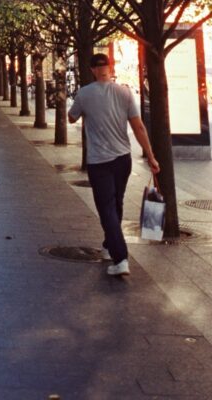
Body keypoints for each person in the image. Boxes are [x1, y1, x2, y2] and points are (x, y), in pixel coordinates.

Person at [68, 52, 160, 277]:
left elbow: (71, 117)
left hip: (99, 161)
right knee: (116, 203)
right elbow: (139, 127)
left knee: (106, 208)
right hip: (123, 158)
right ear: (110, 67)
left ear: (92, 69)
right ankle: (110, 245)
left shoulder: (84, 94)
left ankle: (121, 259)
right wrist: (150, 155)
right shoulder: (125, 92)